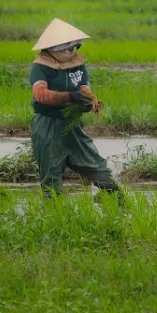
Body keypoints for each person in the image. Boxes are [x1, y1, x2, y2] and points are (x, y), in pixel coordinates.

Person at [28, 18, 123, 201]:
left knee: (100, 169)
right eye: (69, 48)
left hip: (72, 127)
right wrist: (69, 96)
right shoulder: (40, 67)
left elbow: (84, 88)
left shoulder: (77, 64)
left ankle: (121, 207)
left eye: (75, 47)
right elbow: (40, 94)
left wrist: (89, 102)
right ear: (54, 47)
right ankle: (53, 217)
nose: (73, 51)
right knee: (51, 178)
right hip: (48, 126)